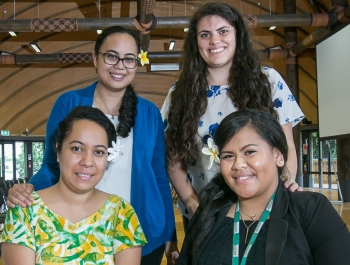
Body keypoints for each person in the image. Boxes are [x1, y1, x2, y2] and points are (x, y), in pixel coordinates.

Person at [6, 26, 177, 265]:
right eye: (111, 56)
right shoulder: (69, 103)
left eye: (129, 59)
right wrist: (29, 191)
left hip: (142, 230)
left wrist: (171, 234)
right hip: (83, 229)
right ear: (95, 58)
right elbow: (51, 165)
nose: (120, 66)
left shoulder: (149, 113)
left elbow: (159, 174)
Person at [161, 2, 305, 226]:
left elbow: (286, 145)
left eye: (223, 31)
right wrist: (191, 201)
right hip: (205, 215)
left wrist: (286, 180)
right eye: (205, 34)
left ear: (238, 35)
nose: (214, 41)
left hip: (263, 210)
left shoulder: (269, 81)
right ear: (195, 42)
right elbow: (173, 158)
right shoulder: (179, 92)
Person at [175, 109, 350, 265]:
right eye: (228, 156)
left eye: (249, 152)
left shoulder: (311, 210)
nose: (238, 164)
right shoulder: (209, 210)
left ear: (278, 156)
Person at [1, 106, 147, 265]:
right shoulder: (25, 210)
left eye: (98, 152)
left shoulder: (122, 214)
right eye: (77, 149)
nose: (87, 162)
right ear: (58, 151)